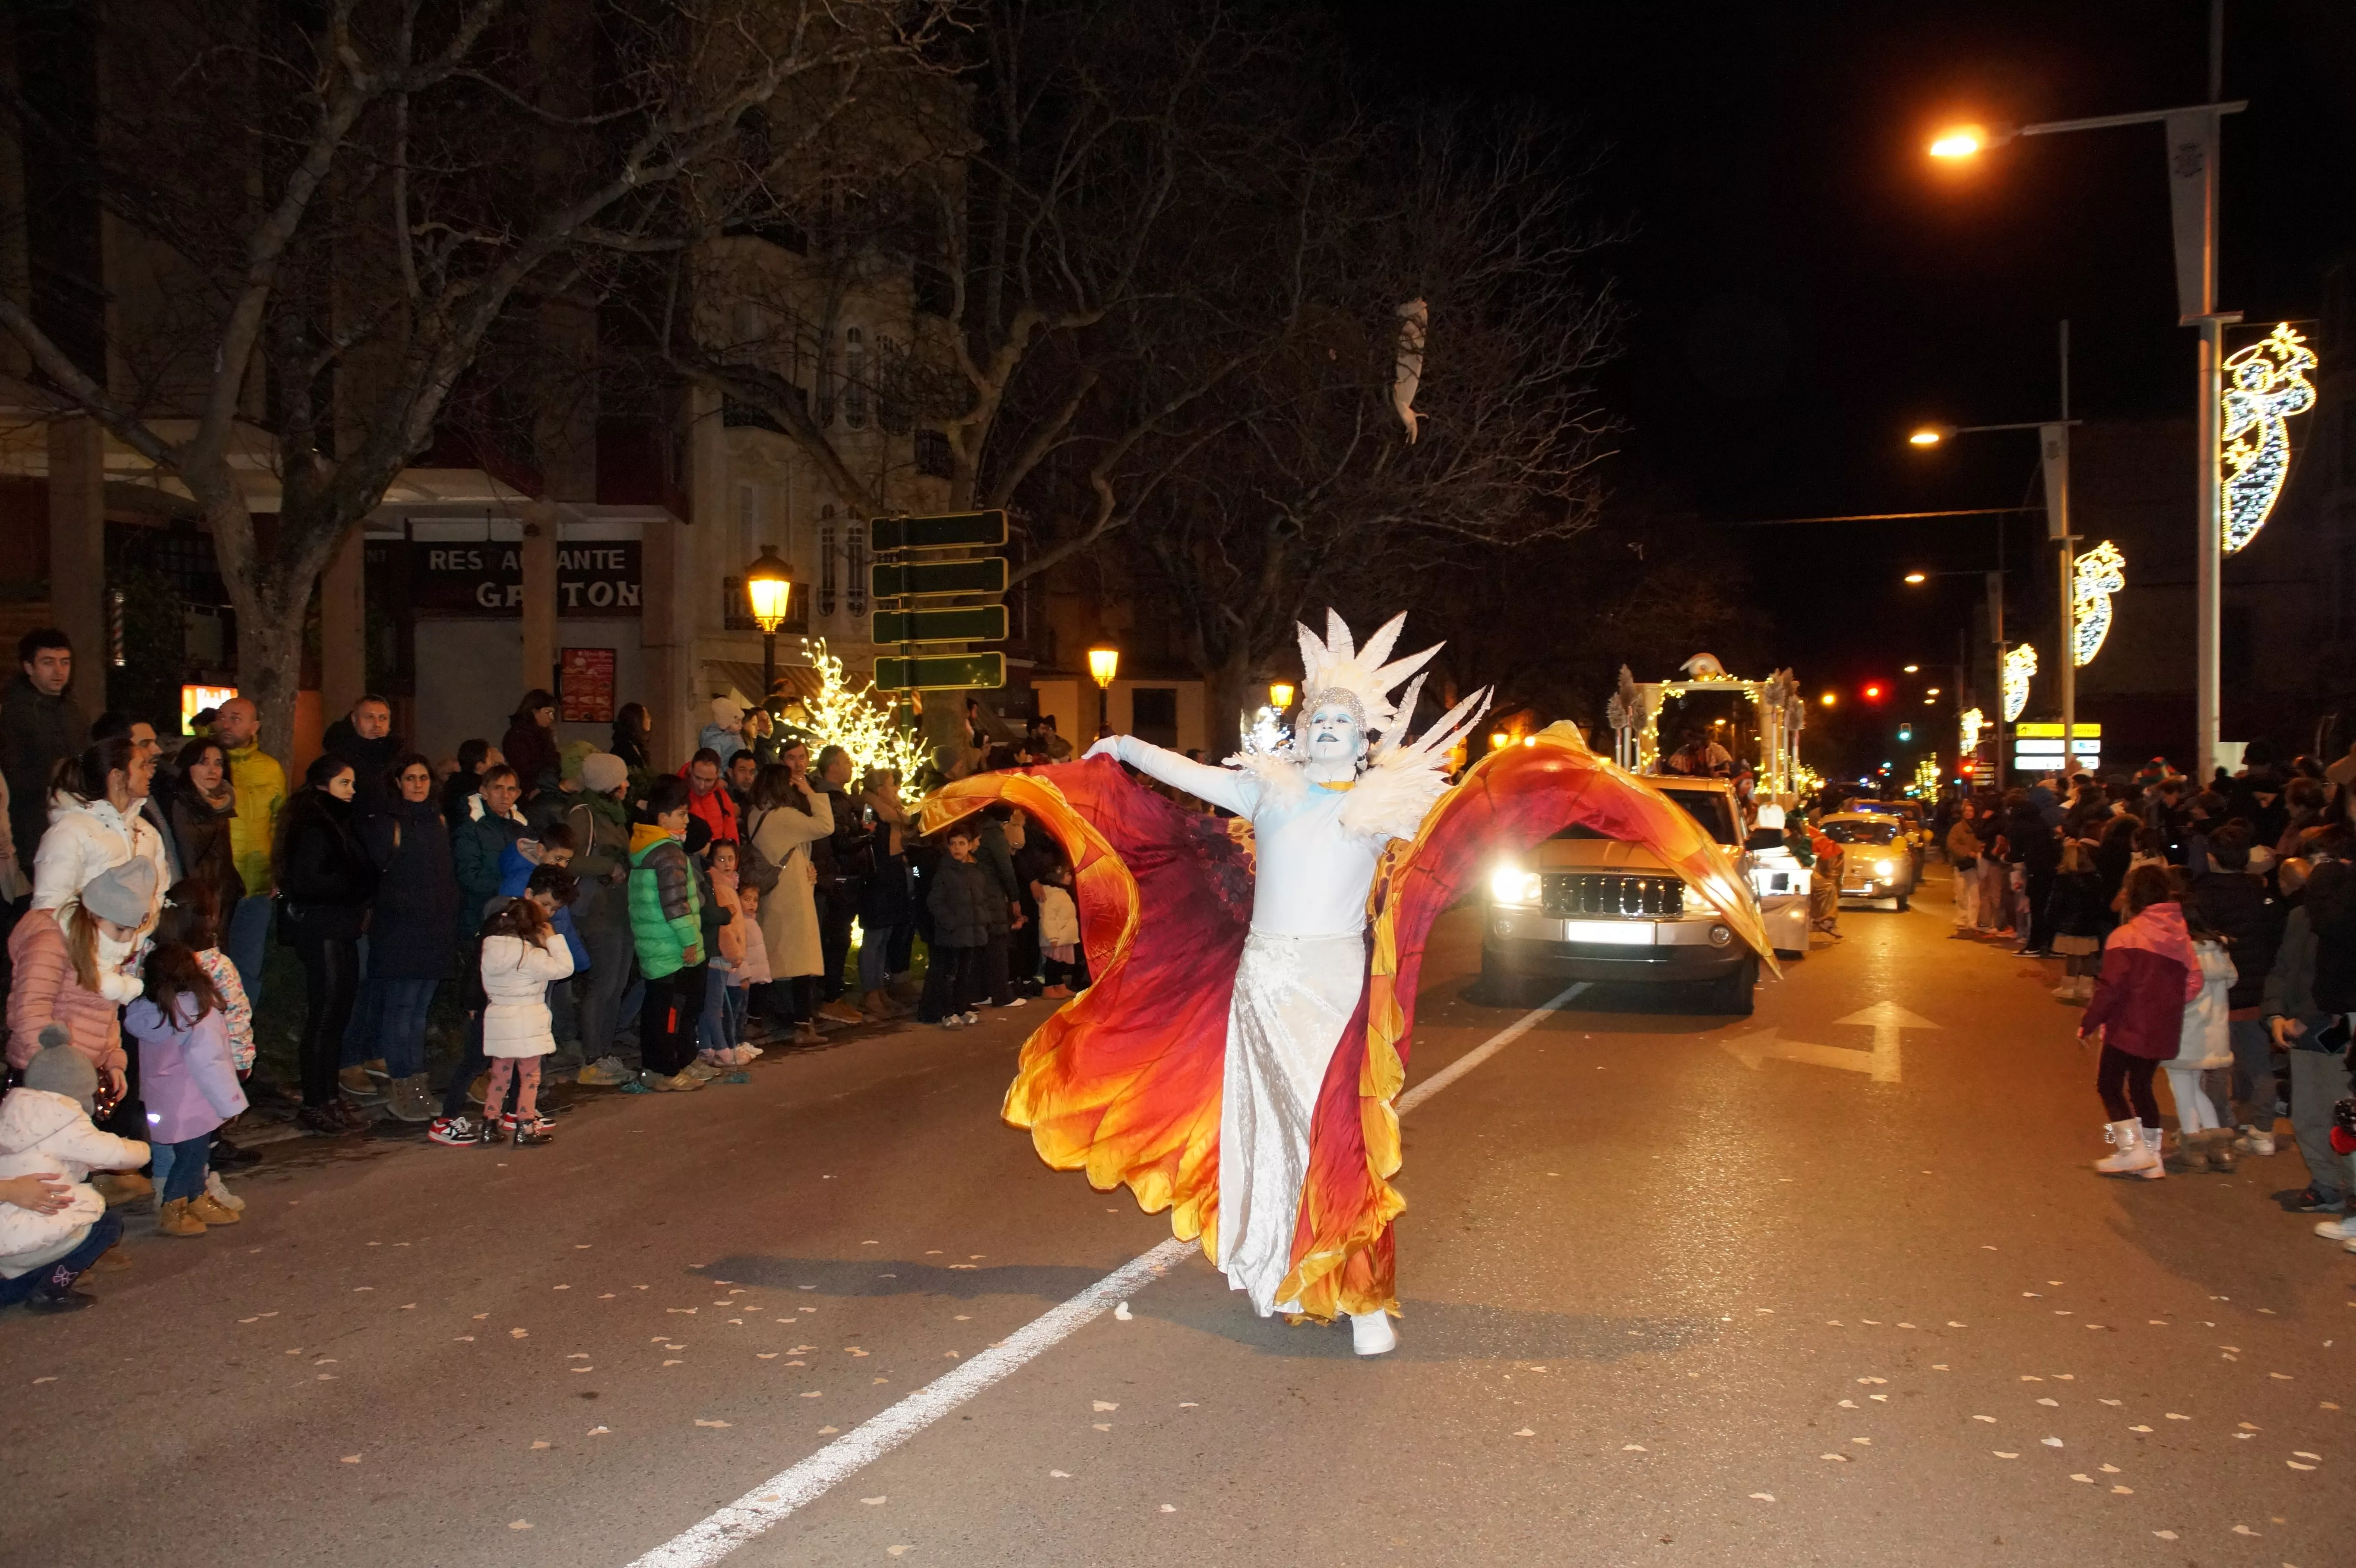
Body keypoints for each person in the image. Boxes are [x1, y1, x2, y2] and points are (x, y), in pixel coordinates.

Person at [0, 1034, 144, 1313]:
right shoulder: (65, 1116)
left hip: (11, 1231)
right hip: (27, 1229)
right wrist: (143, 1148)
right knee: (106, 1222)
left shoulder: (12, 1113)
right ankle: (52, 1289)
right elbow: (115, 1153)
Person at [276, 755, 378, 1135]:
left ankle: (328, 1097)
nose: (352, 792)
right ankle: (316, 1101)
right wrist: (358, 885)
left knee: (336, 1015)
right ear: (323, 785)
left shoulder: (336, 819)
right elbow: (309, 880)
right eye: (344, 784)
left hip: (338, 925)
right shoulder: (316, 822)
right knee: (325, 1015)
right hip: (322, 928)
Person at [2079, 863, 2199, 1179]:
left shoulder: (2126, 936)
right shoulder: (2181, 937)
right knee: (2142, 1087)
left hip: (2128, 1025)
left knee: (2109, 1085)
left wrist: (2089, 1022)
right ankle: (2152, 1156)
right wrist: (2167, 1004)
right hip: (2162, 1026)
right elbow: (2194, 981)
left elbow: (2111, 988)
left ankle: (2131, 1150)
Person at [357, 753, 458, 1122]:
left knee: (418, 1012)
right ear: (398, 782)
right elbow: (377, 881)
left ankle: (418, 1084)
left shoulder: (439, 821)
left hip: (434, 930)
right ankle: (402, 1086)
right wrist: (410, 906)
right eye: (411, 778)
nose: (418, 784)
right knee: (400, 1010)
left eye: (424, 778)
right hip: (400, 931)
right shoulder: (388, 824)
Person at [124, 941, 247, 1236]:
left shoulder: (146, 1012)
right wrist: (230, 1103)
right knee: (193, 1156)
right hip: (195, 1101)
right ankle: (175, 1205)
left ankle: (197, 1198)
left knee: (190, 1153)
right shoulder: (197, 1012)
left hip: (163, 1101)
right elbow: (210, 1062)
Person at [2181, 823, 2286, 1153]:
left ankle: (2218, 1127)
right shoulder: (2263, 893)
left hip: (2214, 993)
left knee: (2211, 1065)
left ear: (2212, 858)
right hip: (2256, 992)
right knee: (2258, 1067)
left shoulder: (2202, 895)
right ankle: (2263, 1131)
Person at [152, 882, 254, 1199]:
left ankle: (163, 1188)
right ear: (209, 919)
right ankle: (196, 1190)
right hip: (206, 1067)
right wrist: (241, 1063)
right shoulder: (215, 966)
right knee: (200, 1132)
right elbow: (236, 1015)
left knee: (165, 1132)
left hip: (163, 1071)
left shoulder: (152, 961)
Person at [33, 736, 169, 949]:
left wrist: (131, 942)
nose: (149, 773)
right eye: (141, 766)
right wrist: (98, 950)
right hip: (82, 963)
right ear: (117, 777)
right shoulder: (71, 831)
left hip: (129, 963)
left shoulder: (147, 832)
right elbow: (50, 907)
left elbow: (158, 892)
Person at [627, 775, 709, 1091]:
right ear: (663, 819)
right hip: (669, 944)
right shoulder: (667, 853)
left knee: (666, 1006)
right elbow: (675, 903)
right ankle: (663, 1068)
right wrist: (689, 941)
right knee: (668, 1010)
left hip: (658, 942)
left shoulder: (647, 847)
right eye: (682, 814)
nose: (687, 820)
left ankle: (679, 1060)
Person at [477, 887, 575, 1145]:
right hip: (527, 1019)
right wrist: (553, 939)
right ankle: (525, 1126)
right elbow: (565, 968)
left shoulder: (490, 950)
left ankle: (489, 1122)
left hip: (499, 1019)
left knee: (500, 1074)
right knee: (530, 1077)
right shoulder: (531, 955)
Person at [564, 752, 639, 1087]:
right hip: (597, 911)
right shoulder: (584, 815)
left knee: (617, 986)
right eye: (621, 779)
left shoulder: (615, 815)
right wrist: (608, 867)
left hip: (620, 909)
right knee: (603, 985)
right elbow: (568, 860)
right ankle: (592, 1058)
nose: (627, 785)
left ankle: (605, 1054)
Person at [209, 696, 285, 1011]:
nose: (226, 724)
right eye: (222, 717)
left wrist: (278, 872)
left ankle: (240, 1042)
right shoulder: (206, 766)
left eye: (236, 718)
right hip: (214, 887)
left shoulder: (270, 769)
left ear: (255, 727)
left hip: (256, 887)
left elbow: (280, 824)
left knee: (247, 969)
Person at [747, 760, 832, 1046]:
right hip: (791, 896)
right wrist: (812, 792)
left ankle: (754, 1020)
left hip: (773, 894)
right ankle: (802, 1025)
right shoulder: (784, 816)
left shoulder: (757, 814)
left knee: (767, 959)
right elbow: (825, 825)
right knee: (801, 960)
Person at [0, 629, 90, 876]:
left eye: (65, 662)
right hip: (32, 830)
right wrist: (56, 776)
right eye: (48, 663)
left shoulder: (74, 710)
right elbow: (12, 778)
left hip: (76, 826)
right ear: (29, 668)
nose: (59, 671)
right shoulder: (12, 713)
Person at [2160, 912, 2237, 1173]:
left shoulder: (2181, 954)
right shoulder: (2219, 953)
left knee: (2182, 1087)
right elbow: (2231, 982)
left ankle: (2194, 1146)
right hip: (2213, 1034)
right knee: (2194, 1087)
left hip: (2184, 1032)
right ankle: (2219, 1145)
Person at [811, 745, 871, 1023]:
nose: (851, 765)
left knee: (840, 937)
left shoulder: (841, 798)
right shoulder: (830, 799)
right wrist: (868, 835)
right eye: (847, 761)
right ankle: (829, 998)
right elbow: (842, 841)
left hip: (843, 877)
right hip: (838, 878)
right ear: (833, 766)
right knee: (836, 938)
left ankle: (833, 995)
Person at [162, 736, 245, 928]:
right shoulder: (183, 804)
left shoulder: (220, 804)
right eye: (203, 763)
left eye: (218, 763)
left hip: (221, 896)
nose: (213, 771)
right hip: (197, 902)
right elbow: (190, 858)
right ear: (188, 766)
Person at [918, 821, 992, 1027]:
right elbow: (935, 901)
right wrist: (950, 922)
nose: (957, 848)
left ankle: (961, 1008)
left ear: (970, 845)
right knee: (950, 974)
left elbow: (982, 900)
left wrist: (984, 921)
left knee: (965, 974)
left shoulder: (976, 873)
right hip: (952, 934)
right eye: (953, 844)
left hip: (971, 933)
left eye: (962, 843)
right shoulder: (944, 873)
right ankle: (948, 1011)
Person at [856, 768, 916, 1017]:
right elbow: (866, 838)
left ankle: (880, 989)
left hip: (891, 875)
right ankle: (870, 992)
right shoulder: (870, 810)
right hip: (876, 878)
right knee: (874, 937)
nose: (897, 790)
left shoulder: (894, 813)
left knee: (886, 935)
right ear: (880, 790)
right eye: (892, 785)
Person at [452, 763, 529, 939]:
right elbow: (468, 877)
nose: (505, 796)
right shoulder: (470, 827)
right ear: (484, 792)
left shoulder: (521, 829)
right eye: (498, 788)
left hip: (513, 916)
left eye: (511, 790)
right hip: (478, 916)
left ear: (517, 794)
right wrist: (511, 889)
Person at [703, 840, 750, 1067]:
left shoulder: (728, 886)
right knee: (714, 1007)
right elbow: (725, 928)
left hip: (721, 955)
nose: (726, 863)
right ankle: (724, 1051)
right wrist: (734, 953)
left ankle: (707, 1047)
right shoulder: (721, 888)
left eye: (730, 858)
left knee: (710, 1005)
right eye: (721, 859)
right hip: (720, 955)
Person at [2045, 840, 2108, 1001]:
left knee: (2072, 956)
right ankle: (2085, 987)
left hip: (2070, 924)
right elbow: (2100, 902)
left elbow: (2056, 902)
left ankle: (2069, 986)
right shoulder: (2096, 878)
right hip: (2090, 923)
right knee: (2088, 955)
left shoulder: (2064, 879)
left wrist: (2051, 918)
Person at [322, 694, 402, 811]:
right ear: (354, 719)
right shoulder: (337, 760)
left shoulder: (399, 758)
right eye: (370, 717)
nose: (377, 724)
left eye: (383, 718)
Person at [501, 689, 562, 801]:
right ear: (534, 711)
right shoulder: (517, 736)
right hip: (528, 793)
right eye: (548, 713)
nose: (551, 718)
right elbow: (523, 768)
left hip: (544, 787)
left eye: (553, 713)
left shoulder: (544, 735)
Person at [1036, 857, 1083, 998]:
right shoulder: (1052, 895)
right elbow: (1048, 918)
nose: (1070, 877)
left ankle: (1059, 985)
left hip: (1065, 937)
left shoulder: (1062, 894)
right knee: (1054, 963)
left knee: (1061, 963)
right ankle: (1049, 988)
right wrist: (1053, 937)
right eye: (1068, 874)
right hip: (1056, 938)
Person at [682, 746, 740, 845]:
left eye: (709, 780)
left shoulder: (722, 797)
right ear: (691, 769)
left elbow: (733, 840)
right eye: (698, 778)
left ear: (717, 775)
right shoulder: (678, 794)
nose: (702, 786)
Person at [1945, 808, 1982, 936]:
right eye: (1966, 811)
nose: (1968, 813)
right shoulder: (1958, 828)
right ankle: (1962, 919)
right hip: (1962, 864)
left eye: (1971, 811)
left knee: (1975, 894)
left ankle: (1973, 921)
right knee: (1961, 893)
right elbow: (1952, 843)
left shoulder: (1979, 827)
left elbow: (1982, 842)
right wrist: (1967, 852)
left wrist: (1978, 852)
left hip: (1976, 865)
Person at [441, 738, 495, 826]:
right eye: (491, 759)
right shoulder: (481, 788)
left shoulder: (452, 782)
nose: (493, 763)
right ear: (480, 766)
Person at [610, 704, 653, 790]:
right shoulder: (622, 749)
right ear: (637, 720)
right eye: (647, 717)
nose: (650, 720)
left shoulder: (637, 746)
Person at [700, 698, 748, 765]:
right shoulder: (715, 742)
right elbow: (714, 765)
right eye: (737, 723)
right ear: (726, 724)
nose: (741, 725)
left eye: (741, 722)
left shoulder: (736, 736)